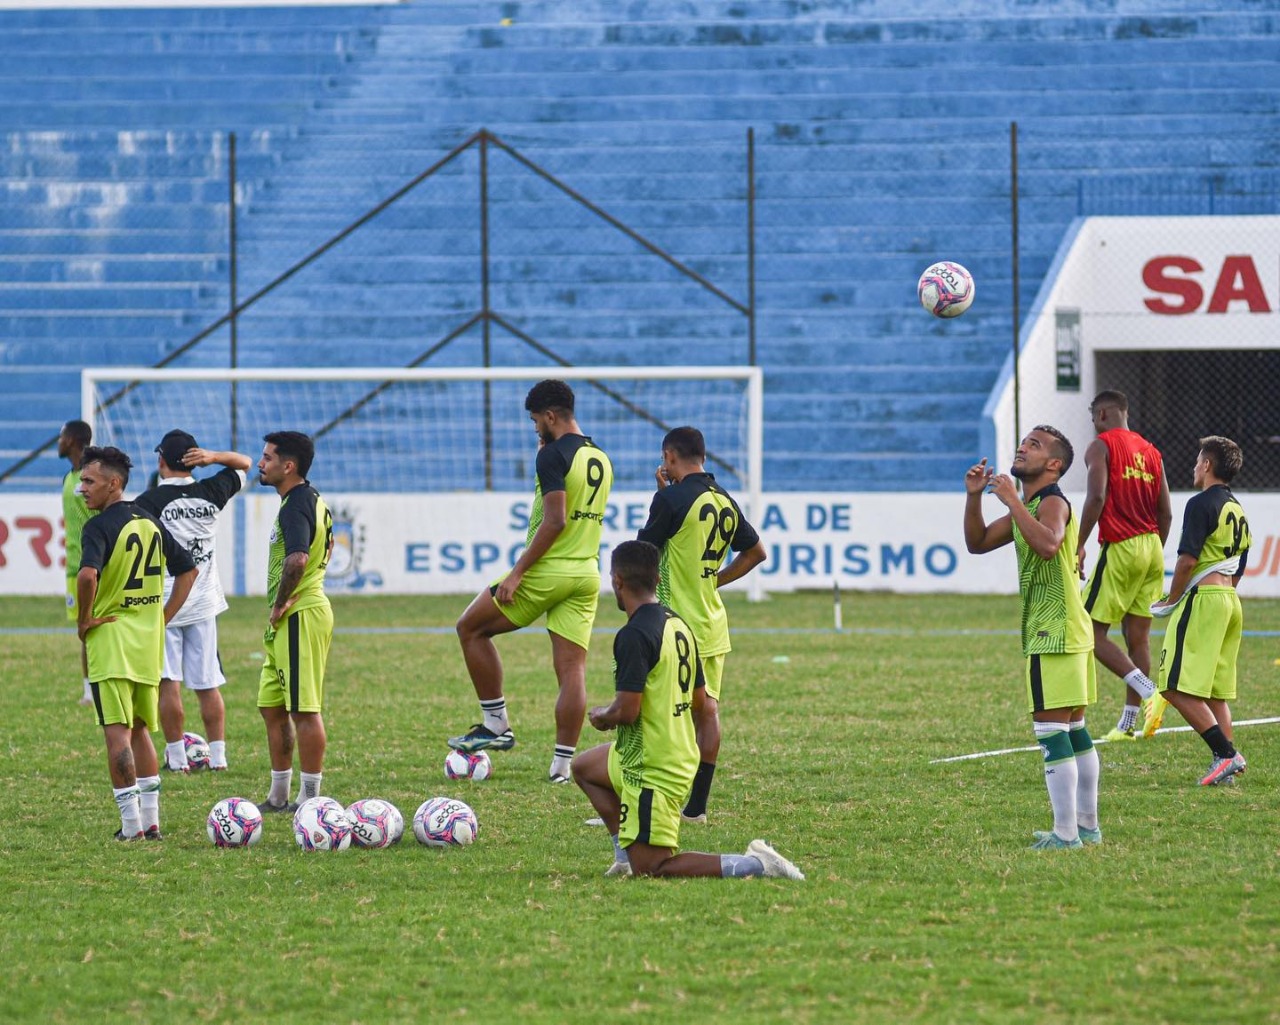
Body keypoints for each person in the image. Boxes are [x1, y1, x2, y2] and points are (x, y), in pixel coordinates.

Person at [571, 540, 803, 880]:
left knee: (654, 868)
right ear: (655, 579)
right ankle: (624, 856)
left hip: (654, 766)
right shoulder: (678, 624)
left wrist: (602, 716)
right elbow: (699, 701)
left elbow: (627, 712)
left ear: (618, 581)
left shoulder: (633, 635)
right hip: (661, 751)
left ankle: (756, 863)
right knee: (584, 768)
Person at [450, 379, 614, 784]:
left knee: (470, 628)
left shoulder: (553, 456)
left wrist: (517, 572)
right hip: (585, 573)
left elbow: (556, 520)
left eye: (536, 420)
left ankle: (495, 724)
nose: (534, 427)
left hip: (549, 570)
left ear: (550, 416)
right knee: (572, 670)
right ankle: (561, 768)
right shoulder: (600, 456)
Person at [963, 427, 1099, 850]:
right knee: (1074, 730)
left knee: (1051, 732)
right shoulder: (1035, 504)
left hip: (1052, 630)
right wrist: (973, 497)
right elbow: (978, 542)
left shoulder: (1051, 501)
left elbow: (1048, 544)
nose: (1023, 447)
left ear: (1054, 464)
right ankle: (1087, 827)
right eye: (1023, 442)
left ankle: (1066, 834)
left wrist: (1011, 500)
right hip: (1067, 628)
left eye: (1034, 445)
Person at [636, 426, 767, 824]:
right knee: (706, 712)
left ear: (669, 457)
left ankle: (645, 804)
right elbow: (756, 552)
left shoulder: (672, 499)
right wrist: (715, 581)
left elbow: (644, 555)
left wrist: (660, 498)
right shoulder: (723, 500)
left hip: (673, 625)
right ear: (703, 457)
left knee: (655, 715)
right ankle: (696, 808)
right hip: (711, 624)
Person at [76, 446, 197, 841]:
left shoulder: (98, 527)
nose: (82, 488)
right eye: (81, 480)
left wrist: (84, 620)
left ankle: (131, 828)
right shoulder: (148, 520)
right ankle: (152, 821)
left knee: (117, 733)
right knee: (142, 729)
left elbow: (87, 577)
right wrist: (160, 618)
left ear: (114, 484)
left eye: (89, 481)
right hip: (147, 643)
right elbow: (188, 570)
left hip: (111, 639)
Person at [134, 430, 251, 772]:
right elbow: (244, 464)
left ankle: (177, 756)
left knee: (168, 681)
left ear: (160, 462)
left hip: (165, 603)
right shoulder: (211, 491)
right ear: (194, 460)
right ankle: (218, 758)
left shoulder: (147, 502)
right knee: (207, 683)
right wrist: (214, 457)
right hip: (203, 602)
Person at [1149, 436, 1252, 786]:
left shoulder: (1199, 504)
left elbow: (1187, 560)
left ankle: (1226, 755)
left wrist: (1171, 599)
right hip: (1229, 602)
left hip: (1203, 601)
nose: (1194, 467)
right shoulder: (1237, 508)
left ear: (1207, 466)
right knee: (1215, 692)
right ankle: (1226, 769)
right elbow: (1238, 568)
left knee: (1172, 686)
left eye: (1197, 461)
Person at [1075, 391, 1172, 742]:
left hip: (1122, 545)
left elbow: (1096, 496)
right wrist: (1152, 552)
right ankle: (1130, 725)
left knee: (1088, 630)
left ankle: (1149, 691)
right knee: (1138, 638)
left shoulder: (1100, 446)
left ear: (1102, 414)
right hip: (1152, 545)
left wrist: (1079, 544)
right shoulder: (1151, 451)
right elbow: (1166, 512)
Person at [256, 431, 334, 813]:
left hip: (298, 613)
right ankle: (278, 794)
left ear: (289, 466)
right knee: (272, 707)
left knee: (304, 708)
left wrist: (281, 602)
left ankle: (311, 799)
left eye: (268, 457)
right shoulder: (312, 499)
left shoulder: (296, 504)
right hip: (290, 617)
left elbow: (299, 559)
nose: (260, 463)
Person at [59, 419, 98, 705]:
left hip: (96, 564)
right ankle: (89, 689)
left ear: (71, 439)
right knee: (83, 629)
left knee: (100, 626)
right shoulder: (68, 477)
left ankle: (102, 685)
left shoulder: (92, 474)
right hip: (73, 566)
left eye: (61, 437)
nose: (58, 442)